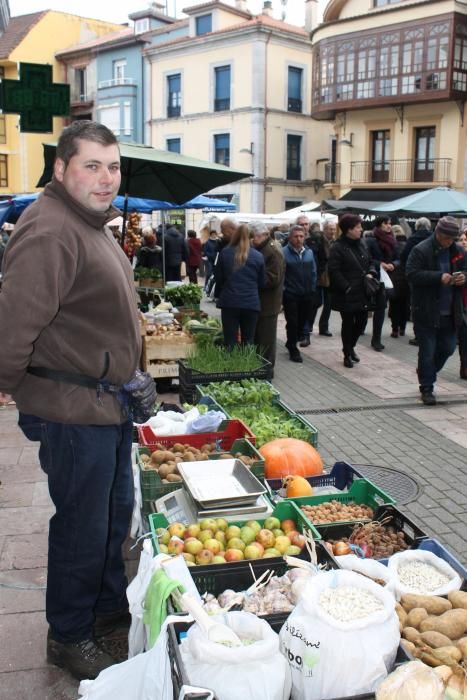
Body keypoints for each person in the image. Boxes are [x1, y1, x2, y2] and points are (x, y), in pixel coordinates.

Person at [0, 121, 151, 680]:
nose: (106, 178)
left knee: (111, 519)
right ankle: (68, 635)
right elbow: (13, 327)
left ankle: (106, 608)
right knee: (82, 527)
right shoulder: (51, 229)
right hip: (72, 410)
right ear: (61, 169)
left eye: (113, 167)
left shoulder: (90, 224)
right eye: (92, 165)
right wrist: (21, 391)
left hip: (105, 406)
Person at [406, 216, 467, 405]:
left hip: (450, 311)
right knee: (427, 351)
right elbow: (411, 274)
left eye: (453, 239)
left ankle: (427, 372)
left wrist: (463, 277)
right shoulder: (421, 249)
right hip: (426, 310)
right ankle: (427, 388)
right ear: (438, 234)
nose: (451, 242)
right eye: (448, 238)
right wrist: (439, 277)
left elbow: (466, 269)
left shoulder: (457, 251)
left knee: (448, 348)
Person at [328, 213, 378, 368]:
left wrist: (371, 272)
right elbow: (334, 270)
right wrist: (346, 287)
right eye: (357, 227)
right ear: (348, 229)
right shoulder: (338, 247)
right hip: (347, 293)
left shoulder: (362, 243)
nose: (361, 230)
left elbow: (370, 261)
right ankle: (347, 354)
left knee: (362, 322)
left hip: (363, 290)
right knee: (348, 323)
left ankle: (350, 347)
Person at [215, 224, 265, 348]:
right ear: (251, 238)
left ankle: (231, 367)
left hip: (230, 302)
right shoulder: (258, 256)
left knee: (230, 341)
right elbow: (262, 283)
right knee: (248, 341)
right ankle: (247, 367)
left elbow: (218, 279)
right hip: (251, 303)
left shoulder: (225, 253)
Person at [251, 222, 285, 370]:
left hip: (268, 303)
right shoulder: (262, 248)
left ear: (262, 235)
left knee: (266, 340)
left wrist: (251, 277)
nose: (251, 240)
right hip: (261, 302)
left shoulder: (272, 250)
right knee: (260, 339)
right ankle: (261, 368)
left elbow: (273, 279)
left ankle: (266, 370)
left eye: (253, 237)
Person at [282, 224, 317, 363]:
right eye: (296, 236)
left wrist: (312, 288)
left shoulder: (309, 252)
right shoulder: (283, 252)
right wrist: (285, 290)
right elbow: (281, 274)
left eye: (301, 236)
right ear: (290, 237)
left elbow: (313, 271)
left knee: (303, 322)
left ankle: (291, 341)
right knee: (293, 322)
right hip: (291, 294)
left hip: (307, 293)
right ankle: (293, 348)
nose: (298, 239)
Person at [365, 216, 400, 351]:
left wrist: (393, 265)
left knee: (380, 309)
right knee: (368, 308)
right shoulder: (371, 239)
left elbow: (398, 258)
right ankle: (362, 329)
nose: (389, 226)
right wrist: (380, 264)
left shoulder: (393, 239)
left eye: (390, 224)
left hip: (388, 278)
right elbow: (367, 258)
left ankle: (376, 339)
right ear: (379, 225)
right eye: (386, 224)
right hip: (374, 277)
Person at [401, 217, 433, 346]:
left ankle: (418, 335)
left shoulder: (412, 239)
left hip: (416, 277)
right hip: (432, 277)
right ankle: (430, 332)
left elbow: (403, 257)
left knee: (416, 305)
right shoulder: (433, 238)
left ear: (416, 226)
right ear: (429, 226)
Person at [309, 219, 337, 338]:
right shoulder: (317, 241)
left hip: (331, 277)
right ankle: (309, 325)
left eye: (334, 229)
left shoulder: (336, 242)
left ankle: (323, 327)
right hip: (319, 276)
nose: (333, 231)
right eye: (330, 229)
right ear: (324, 229)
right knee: (315, 303)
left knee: (329, 304)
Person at [387, 224, 410, 338]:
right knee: (405, 304)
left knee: (394, 304)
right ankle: (403, 328)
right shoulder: (408, 245)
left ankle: (394, 329)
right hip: (407, 278)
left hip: (394, 278)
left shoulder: (392, 246)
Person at [458, 229, 467, 379]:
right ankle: (465, 366)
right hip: (462, 301)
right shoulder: (457, 257)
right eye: (462, 239)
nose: (464, 242)